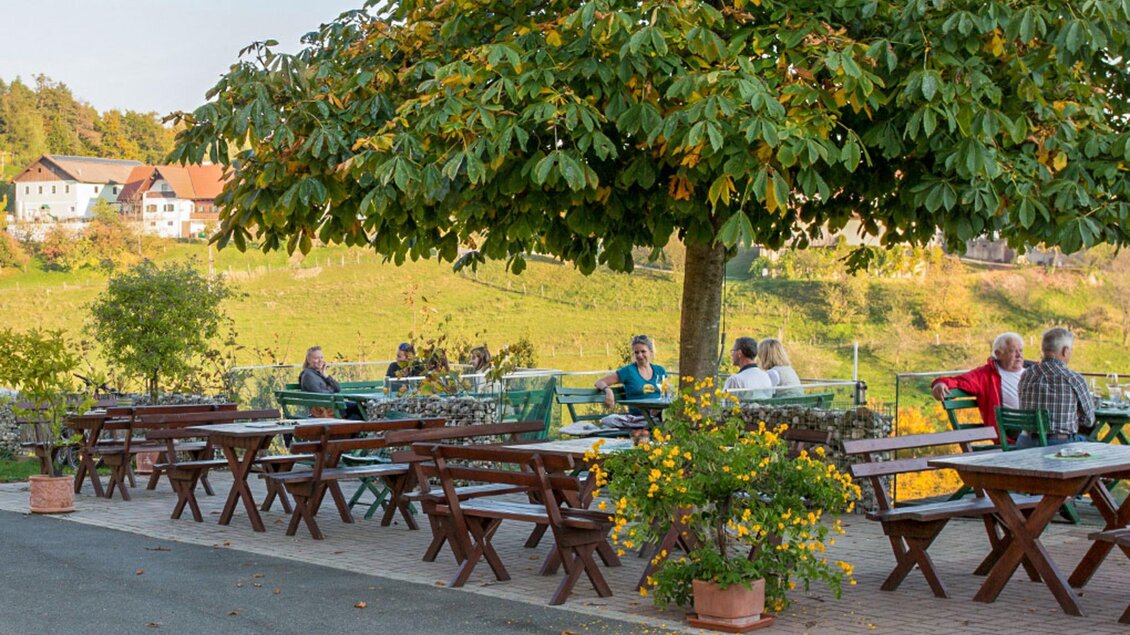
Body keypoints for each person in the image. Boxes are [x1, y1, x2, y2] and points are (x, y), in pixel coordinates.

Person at [930, 332, 1032, 432]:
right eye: (1012, 351)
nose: (1019, 355)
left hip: (1036, 427)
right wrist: (940, 383)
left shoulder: (1034, 371)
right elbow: (958, 381)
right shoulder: (986, 375)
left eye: (1021, 350)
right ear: (998, 354)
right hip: (1012, 431)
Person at [1018, 327, 1094, 446]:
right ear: (1065, 351)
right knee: (1095, 446)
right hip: (1059, 446)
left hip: (1025, 443)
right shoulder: (1073, 378)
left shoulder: (1026, 375)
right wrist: (1072, 414)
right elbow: (1089, 420)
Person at [593, 334, 668, 429]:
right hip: (638, 418)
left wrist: (658, 409)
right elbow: (599, 382)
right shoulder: (628, 371)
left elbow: (666, 394)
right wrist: (608, 391)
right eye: (636, 352)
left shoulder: (660, 371)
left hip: (658, 415)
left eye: (643, 351)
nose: (640, 355)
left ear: (651, 352)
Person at [297, 346, 362, 419]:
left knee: (357, 415)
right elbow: (319, 395)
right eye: (316, 358)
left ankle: (349, 429)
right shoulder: (308, 375)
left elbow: (337, 388)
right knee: (360, 408)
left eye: (321, 357)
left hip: (333, 406)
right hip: (325, 410)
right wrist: (331, 389)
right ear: (309, 360)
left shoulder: (320, 373)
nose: (320, 360)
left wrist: (326, 375)